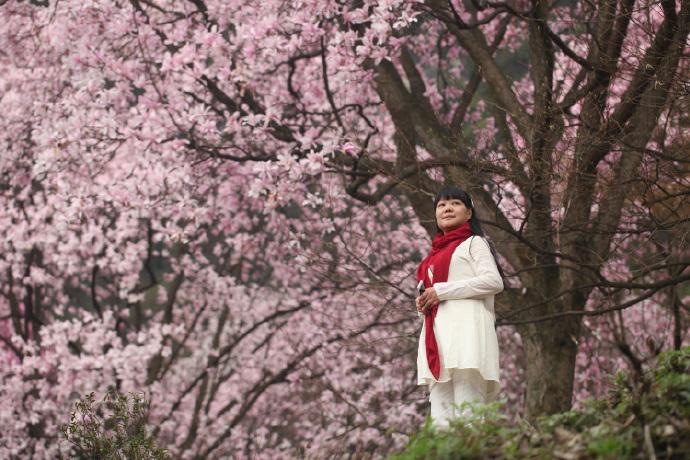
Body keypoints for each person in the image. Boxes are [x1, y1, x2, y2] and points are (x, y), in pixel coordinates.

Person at [415, 185, 503, 428]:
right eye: (441, 205)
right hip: (439, 339)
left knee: (469, 414)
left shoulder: (474, 243)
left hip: (467, 335)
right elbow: (434, 297)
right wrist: (424, 301)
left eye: (455, 203)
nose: (447, 208)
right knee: (441, 421)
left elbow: (494, 281)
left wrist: (441, 291)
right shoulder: (430, 260)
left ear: (469, 213)